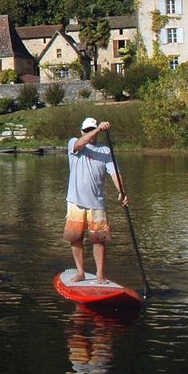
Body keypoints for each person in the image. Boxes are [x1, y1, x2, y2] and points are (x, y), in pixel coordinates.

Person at [65, 116, 128, 284]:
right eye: (87, 131)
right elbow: (80, 144)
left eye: (91, 130)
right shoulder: (74, 144)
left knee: (99, 240)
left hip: (96, 203)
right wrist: (98, 129)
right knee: (75, 238)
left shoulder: (105, 151)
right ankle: (80, 272)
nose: (90, 134)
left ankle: (100, 274)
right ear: (82, 131)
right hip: (75, 202)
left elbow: (114, 172)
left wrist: (122, 191)